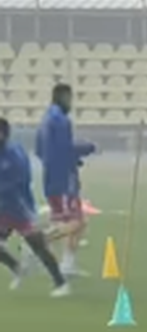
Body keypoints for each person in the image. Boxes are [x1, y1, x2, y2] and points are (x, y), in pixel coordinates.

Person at [0, 118, 69, 295]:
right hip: (2, 208)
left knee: (38, 246)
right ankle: (17, 267)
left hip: (19, 208)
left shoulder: (14, 154)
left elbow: (20, 181)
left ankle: (61, 283)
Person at [35, 82, 95, 279]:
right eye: (69, 98)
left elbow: (40, 149)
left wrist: (71, 159)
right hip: (63, 180)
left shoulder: (46, 119)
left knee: (78, 220)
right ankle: (37, 243)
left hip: (53, 176)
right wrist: (85, 148)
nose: (71, 102)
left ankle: (68, 263)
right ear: (62, 97)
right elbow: (65, 148)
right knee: (75, 222)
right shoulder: (60, 120)